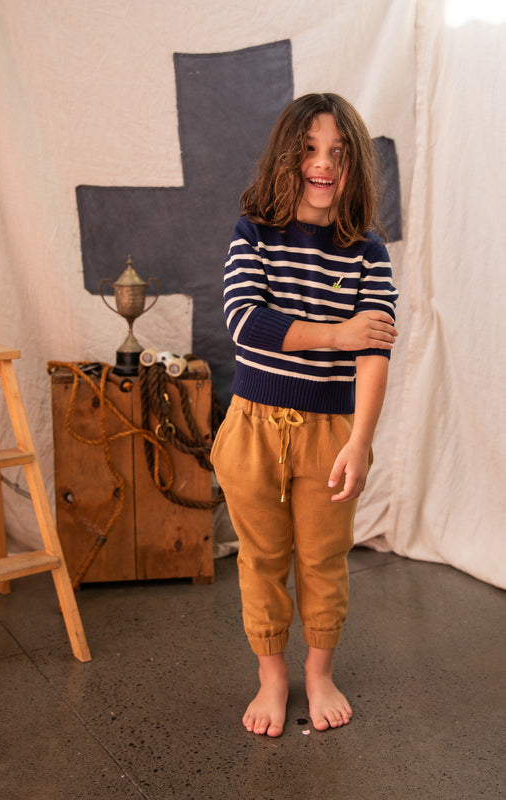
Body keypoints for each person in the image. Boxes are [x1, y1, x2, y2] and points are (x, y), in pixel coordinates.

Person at [211, 93, 398, 738]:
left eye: (338, 155)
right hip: (252, 428)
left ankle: (319, 673)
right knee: (261, 558)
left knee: (324, 558)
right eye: (310, 150)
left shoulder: (367, 251)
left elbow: (375, 351)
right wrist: (338, 334)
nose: (323, 165)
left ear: (354, 168)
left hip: (330, 435)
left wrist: (360, 441)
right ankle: (272, 676)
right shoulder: (253, 232)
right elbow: (246, 322)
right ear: (285, 158)